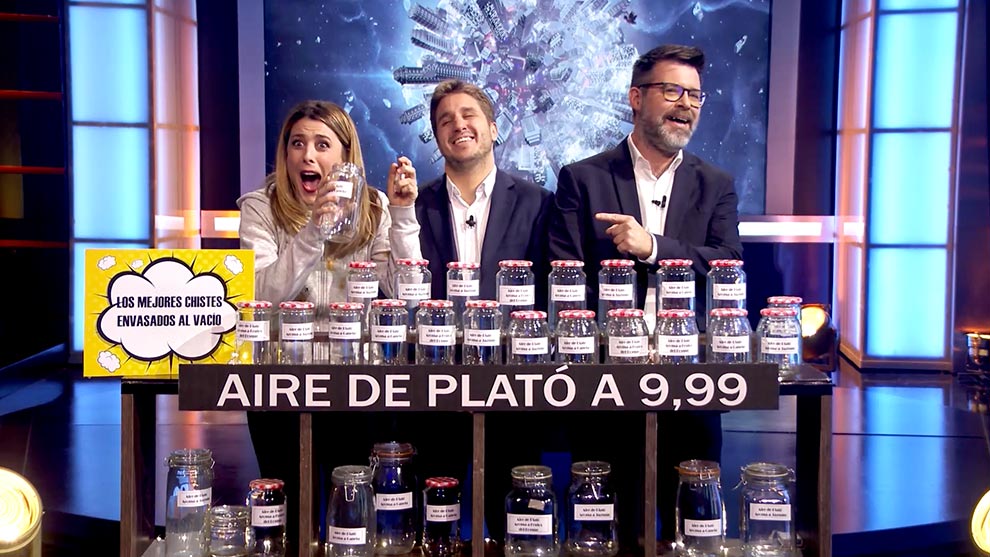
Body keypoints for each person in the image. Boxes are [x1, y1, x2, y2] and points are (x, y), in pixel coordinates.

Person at [548, 44, 743, 546]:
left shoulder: (715, 184)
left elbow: (727, 263)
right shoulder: (583, 179)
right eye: (673, 91)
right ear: (636, 97)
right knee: (607, 529)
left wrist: (653, 247)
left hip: (691, 383)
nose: (686, 105)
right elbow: (564, 275)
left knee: (694, 529)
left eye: (695, 96)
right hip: (606, 386)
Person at [237, 99, 421, 552]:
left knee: (352, 505)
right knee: (288, 507)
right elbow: (261, 294)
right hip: (278, 379)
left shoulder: (374, 206)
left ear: (344, 157)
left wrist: (402, 216)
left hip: (356, 380)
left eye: (322, 145)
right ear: (285, 153)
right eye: (297, 143)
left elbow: (409, 294)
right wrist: (313, 232)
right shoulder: (260, 207)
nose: (308, 155)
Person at [413, 79, 554, 547]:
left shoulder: (537, 202)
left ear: (493, 128)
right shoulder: (414, 207)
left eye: (468, 114)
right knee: (437, 525)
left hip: (513, 385)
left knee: (518, 524)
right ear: (437, 137)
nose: (458, 124)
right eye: (445, 120)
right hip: (437, 384)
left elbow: (548, 292)